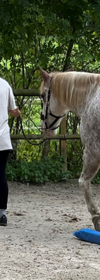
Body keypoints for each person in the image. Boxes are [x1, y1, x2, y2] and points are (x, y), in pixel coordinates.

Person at [0, 77, 21, 226]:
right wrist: (17, 113)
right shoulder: (4, 84)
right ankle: (2, 214)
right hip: (2, 139)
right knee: (1, 174)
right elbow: (13, 111)